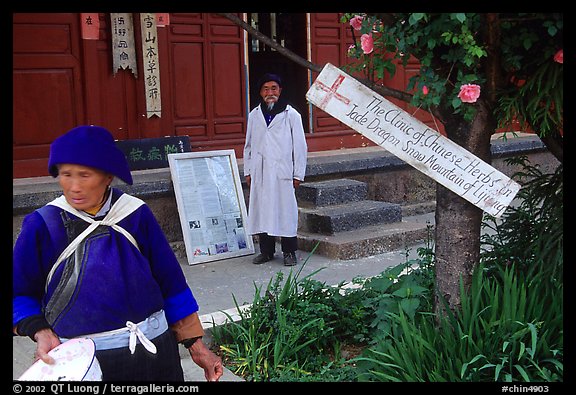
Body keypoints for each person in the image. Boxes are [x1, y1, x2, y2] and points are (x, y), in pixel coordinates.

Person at [12, 125, 224, 382]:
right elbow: (19, 292)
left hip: (154, 353)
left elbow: (171, 283)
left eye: (85, 175)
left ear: (108, 177)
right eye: (66, 174)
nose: (74, 186)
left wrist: (196, 345)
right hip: (84, 364)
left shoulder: (136, 215)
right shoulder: (43, 225)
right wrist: (40, 330)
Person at [243, 73, 308, 266]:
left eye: (273, 88)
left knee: (285, 212)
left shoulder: (291, 115)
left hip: (283, 171)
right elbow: (248, 145)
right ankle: (266, 251)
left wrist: (298, 174)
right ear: (260, 92)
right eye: (266, 89)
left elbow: (300, 146)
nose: (270, 92)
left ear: (279, 91)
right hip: (260, 171)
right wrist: (248, 170)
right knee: (262, 211)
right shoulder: (254, 115)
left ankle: (289, 252)